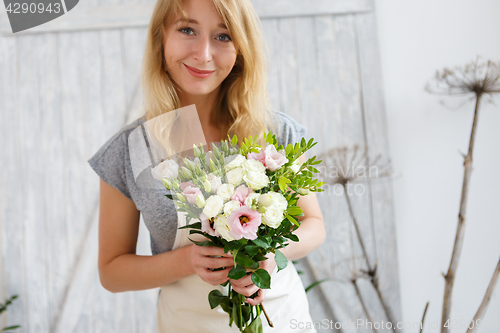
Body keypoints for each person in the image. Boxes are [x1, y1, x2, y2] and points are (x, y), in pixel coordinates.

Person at [87, 0, 326, 331]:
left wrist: (271, 254)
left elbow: (314, 224)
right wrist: (186, 261)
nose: (203, 53)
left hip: (282, 320)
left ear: (242, 48)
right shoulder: (131, 150)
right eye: (187, 30)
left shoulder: (274, 131)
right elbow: (111, 273)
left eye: (223, 36)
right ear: (161, 39)